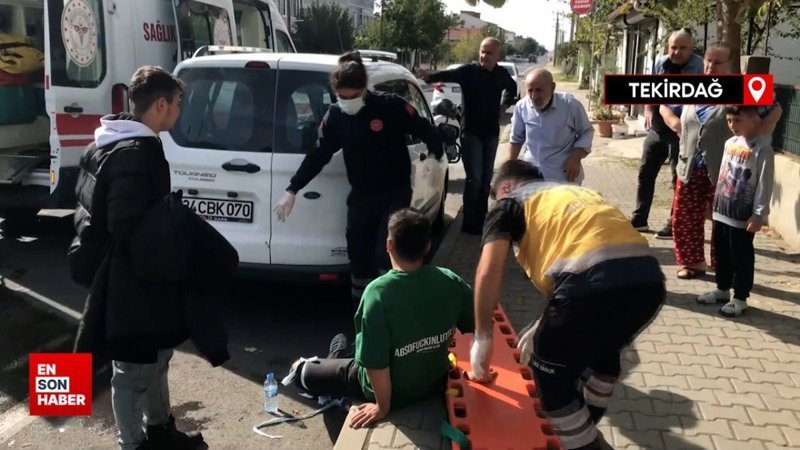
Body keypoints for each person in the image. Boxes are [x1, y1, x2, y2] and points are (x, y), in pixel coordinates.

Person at [470, 160, 665, 450]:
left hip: (590, 288)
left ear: (507, 187)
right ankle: (585, 427)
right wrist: (544, 322)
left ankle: (582, 444)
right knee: (603, 349)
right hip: (648, 284)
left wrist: (483, 338)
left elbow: (488, 270)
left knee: (550, 378)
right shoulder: (573, 194)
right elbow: (577, 256)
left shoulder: (510, 203)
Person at [70, 66, 211, 450]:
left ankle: (160, 429)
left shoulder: (118, 142)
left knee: (156, 356)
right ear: (161, 104)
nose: (180, 110)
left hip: (141, 277)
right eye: (178, 103)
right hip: (129, 282)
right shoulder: (134, 153)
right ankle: (132, 444)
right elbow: (126, 226)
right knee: (131, 368)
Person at [274, 52, 443, 305]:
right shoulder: (336, 117)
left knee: (384, 254)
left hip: (393, 193)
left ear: (364, 89)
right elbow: (319, 155)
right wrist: (292, 189)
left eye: (353, 96)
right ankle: (361, 314)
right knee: (358, 257)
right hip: (362, 196)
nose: (347, 101)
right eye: (342, 96)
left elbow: (424, 128)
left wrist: (435, 151)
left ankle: (389, 308)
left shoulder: (389, 107)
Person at [282, 208, 474, 428]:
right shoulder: (451, 281)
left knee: (299, 370)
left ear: (389, 245)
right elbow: (476, 326)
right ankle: (338, 355)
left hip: (380, 387)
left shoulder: (378, 293)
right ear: (428, 246)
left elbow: (375, 365)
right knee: (350, 348)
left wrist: (382, 407)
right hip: (430, 382)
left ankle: (331, 360)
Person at [659, 42, 782, 279]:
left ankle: (723, 264)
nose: (710, 66)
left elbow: (775, 110)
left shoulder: (744, 88)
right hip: (690, 165)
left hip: (728, 171)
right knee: (684, 218)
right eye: (707, 60)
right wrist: (677, 125)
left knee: (724, 222)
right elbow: (665, 106)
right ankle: (691, 263)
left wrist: (755, 138)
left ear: (730, 65)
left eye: (717, 62)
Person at [422, 37, 518, 234]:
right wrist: (429, 77)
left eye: (489, 52)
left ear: (497, 55)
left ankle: (482, 218)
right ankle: (469, 223)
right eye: (482, 51)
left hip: (491, 134)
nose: (484, 56)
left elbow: (512, 88)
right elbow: (448, 74)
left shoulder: (501, 74)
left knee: (485, 180)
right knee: (474, 179)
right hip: (471, 134)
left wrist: (505, 104)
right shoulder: (469, 72)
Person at [696, 106, 774, 317]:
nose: (732, 125)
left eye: (738, 120)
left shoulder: (762, 149)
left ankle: (740, 298)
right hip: (722, 210)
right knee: (721, 253)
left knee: (740, 257)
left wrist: (759, 214)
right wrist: (714, 203)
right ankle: (722, 289)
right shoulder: (729, 143)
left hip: (743, 216)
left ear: (755, 119)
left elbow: (764, 184)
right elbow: (723, 174)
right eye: (729, 120)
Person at [630, 29, 704, 238]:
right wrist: (647, 109)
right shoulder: (660, 63)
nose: (677, 52)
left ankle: (674, 222)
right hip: (659, 129)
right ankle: (639, 219)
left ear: (691, 48)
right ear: (667, 47)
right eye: (673, 47)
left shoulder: (699, 67)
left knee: (678, 178)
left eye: (683, 48)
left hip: (682, 131)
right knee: (645, 173)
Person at [508, 68, 593, 184]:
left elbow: (586, 132)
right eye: (530, 91)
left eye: (539, 90)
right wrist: (509, 172)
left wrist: (576, 158)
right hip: (532, 179)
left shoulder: (569, 105)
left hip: (563, 178)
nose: (534, 96)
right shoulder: (522, 107)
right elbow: (516, 139)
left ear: (552, 87)